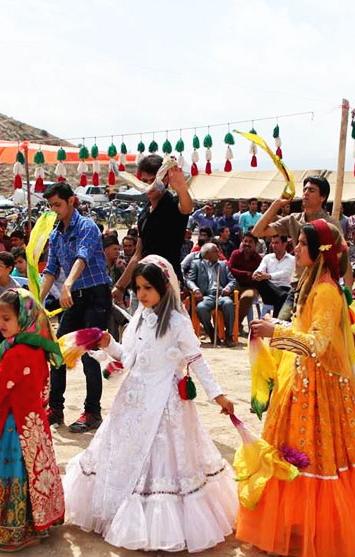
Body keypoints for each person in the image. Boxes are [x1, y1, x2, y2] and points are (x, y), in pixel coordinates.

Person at [238, 220, 355, 556]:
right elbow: (306, 328)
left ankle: (324, 525)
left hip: (320, 388)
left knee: (320, 455)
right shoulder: (312, 285)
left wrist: (277, 333)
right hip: (300, 382)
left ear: (320, 252)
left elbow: (318, 344)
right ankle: (298, 520)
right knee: (298, 451)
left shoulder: (327, 291)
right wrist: (276, 325)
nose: (296, 248)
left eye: (303, 244)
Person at [63, 255, 237, 552]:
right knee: (124, 455)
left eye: (148, 288)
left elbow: (196, 359)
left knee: (161, 461)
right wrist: (108, 344)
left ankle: (159, 528)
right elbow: (128, 358)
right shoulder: (140, 319)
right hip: (132, 401)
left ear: (163, 287)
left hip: (165, 404)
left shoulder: (178, 323)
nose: (142, 294)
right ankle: (119, 514)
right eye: (138, 288)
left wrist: (217, 394)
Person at [0, 289, 65, 551]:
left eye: (7, 318)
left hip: (13, 426)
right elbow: (44, 392)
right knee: (33, 470)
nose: (0, 324)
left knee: (13, 472)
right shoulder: (39, 350)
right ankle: (37, 522)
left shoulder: (16, 353)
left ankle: (16, 532)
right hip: (34, 424)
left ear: (24, 319)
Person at [40, 182, 112, 433]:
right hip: (73, 298)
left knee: (90, 356)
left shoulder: (87, 226)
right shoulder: (55, 234)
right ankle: (55, 408)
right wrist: (37, 301)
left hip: (95, 295)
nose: (54, 210)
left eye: (57, 205)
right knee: (58, 353)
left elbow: (82, 256)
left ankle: (92, 412)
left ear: (72, 201)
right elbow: (51, 269)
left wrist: (68, 285)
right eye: (51, 206)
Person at [252, 175, 348, 320]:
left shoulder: (330, 225)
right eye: (304, 190)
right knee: (280, 329)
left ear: (322, 197)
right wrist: (277, 204)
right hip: (297, 288)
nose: (305, 193)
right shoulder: (293, 219)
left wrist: (348, 294)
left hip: (322, 288)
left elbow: (343, 257)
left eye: (311, 190)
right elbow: (257, 232)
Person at [112, 154, 193, 300]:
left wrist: (181, 188)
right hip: (144, 282)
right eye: (145, 181)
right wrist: (119, 286)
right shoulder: (144, 212)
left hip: (167, 284)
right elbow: (138, 255)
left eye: (153, 180)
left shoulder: (173, 204)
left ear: (165, 179)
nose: (150, 186)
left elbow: (187, 207)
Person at [188, 243, 237, 347]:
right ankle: (211, 333)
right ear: (207, 254)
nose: (219, 253)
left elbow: (232, 280)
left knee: (228, 304)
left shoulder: (223, 265)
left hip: (222, 295)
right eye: (216, 251)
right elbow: (189, 280)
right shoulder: (197, 264)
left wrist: (228, 288)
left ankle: (229, 336)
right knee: (201, 308)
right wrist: (196, 289)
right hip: (207, 296)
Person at [252, 234, 295, 317]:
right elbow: (260, 269)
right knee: (258, 280)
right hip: (269, 291)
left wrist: (268, 276)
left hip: (284, 288)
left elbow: (286, 273)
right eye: (272, 243)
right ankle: (282, 297)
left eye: (276, 243)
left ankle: (281, 299)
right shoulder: (267, 258)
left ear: (284, 244)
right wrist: (257, 273)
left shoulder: (292, 259)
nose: (273, 246)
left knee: (281, 297)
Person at [228, 232, 263, 331]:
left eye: (250, 242)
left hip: (250, 287)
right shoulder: (236, 254)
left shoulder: (258, 259)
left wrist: (245, 275)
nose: (247, 244)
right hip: (234, 284)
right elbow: (230, 268)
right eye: (245, 241)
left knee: (247, 297)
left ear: (256, 244)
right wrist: (246, 274)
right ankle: (228, 324)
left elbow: (256, 276)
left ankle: (235, 324)